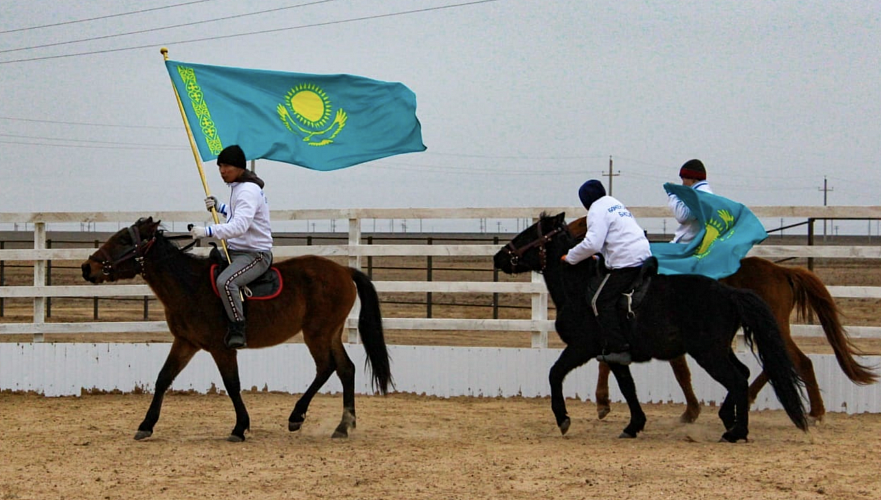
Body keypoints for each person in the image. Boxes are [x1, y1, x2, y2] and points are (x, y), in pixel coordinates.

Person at [190, 145, 273, 349]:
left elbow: (239, 226)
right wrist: (220, 208)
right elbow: (238, 215)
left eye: (226, 166)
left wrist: (207, 231)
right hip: (237, 250)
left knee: (226, 283)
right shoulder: (239, 188)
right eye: (220, 166)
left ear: (238, 167)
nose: (222, 171)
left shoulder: (247, 191)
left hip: (255, 254)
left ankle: (238, 329)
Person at [562, 180, 652, 365]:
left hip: (627, 262)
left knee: (598, 300)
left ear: (586, 201)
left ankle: (620, 348)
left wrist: (570, 257)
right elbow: (615, 238)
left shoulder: (596, 210)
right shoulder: (615, 204)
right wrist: (601, 257)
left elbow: (593, 243)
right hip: (643, 256)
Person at [668, 159, 713, 244]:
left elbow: (682, 217)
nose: (683, 184)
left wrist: (673, 195)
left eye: (684, 180)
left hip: (688, 245)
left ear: (693, 179)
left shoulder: (698, 195)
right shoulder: (708, 194)